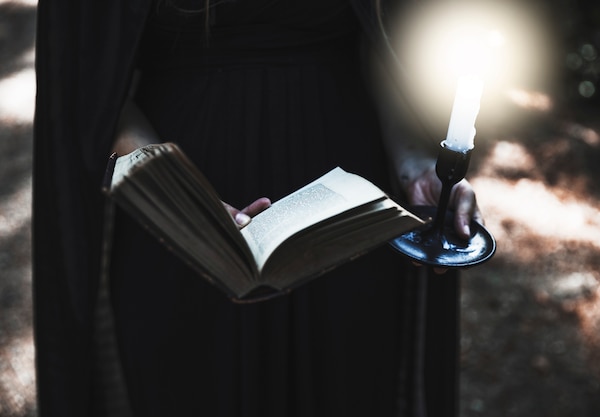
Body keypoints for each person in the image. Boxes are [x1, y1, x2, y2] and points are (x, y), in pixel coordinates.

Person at [33, 1, 482, 416]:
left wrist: (415, 167)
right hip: (177, 218)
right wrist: (177, 197)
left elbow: (378, 39)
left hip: (346, 220)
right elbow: (89, 82)